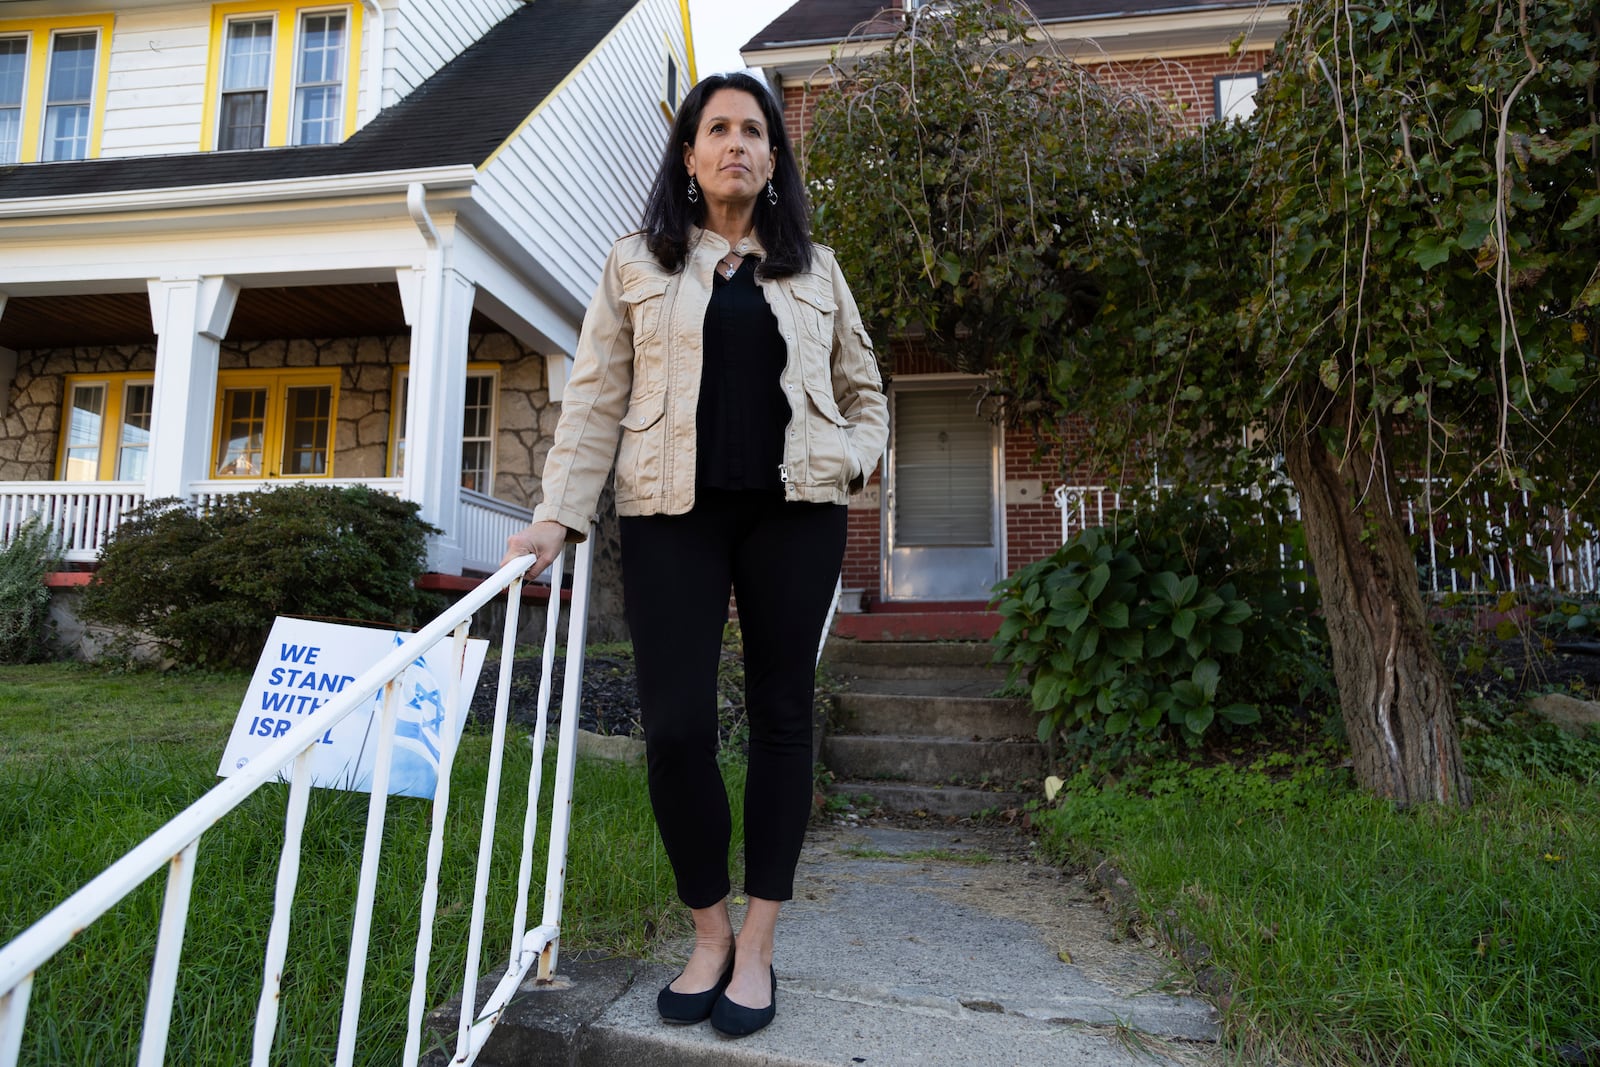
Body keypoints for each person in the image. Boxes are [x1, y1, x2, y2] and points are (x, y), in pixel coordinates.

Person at [501, 72, 888, 1038]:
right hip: (671, 514)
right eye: (717, 128)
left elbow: (869, 393)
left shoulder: (815, 269)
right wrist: (558, 514)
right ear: (688, 154)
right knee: (674, 728)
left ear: (773, 158)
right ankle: (706, 929)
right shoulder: (636, 262)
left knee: (782, 717)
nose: (737, 144)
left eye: (755, 131)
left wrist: (849, 458)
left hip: (795, 514)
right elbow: (593, 398)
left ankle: (757, 942)